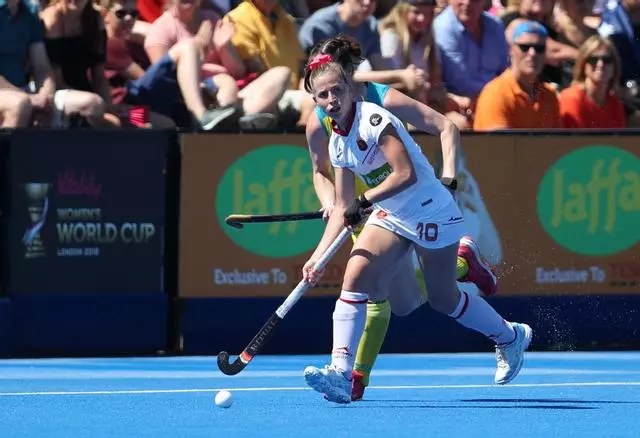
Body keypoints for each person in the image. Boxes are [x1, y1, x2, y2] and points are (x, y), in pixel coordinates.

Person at [301, 48, 532, 405]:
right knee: (355, 276)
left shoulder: (373, 118)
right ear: (315, 101)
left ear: (349, 88)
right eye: (323, 95)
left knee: (444, 299)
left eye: (337, 90)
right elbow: (343, 207)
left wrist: (365, 200)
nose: (332, 99)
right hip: (392, 214)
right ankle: (341, 374)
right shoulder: (337, 143)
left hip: (429, 209)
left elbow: (405, 174)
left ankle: (509, 337)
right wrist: (317, 258)